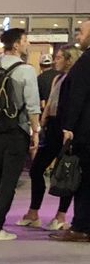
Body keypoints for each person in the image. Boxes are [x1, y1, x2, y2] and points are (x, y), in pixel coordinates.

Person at [0, 28, 40, 241]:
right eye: (25, 40)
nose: (27, 43)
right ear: (16, 44)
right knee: (9, 181)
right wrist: (36, 131)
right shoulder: (26, 70)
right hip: (16, 130)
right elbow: (32, 105)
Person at [20, 46, 80, 231]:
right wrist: (40, 125)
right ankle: (33, 212)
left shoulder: (76, 79)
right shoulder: (57, 78)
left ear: (69, 59)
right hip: (52, 127)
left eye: (60, 57)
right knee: (36, 169)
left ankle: (61, 215)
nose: (55, 61)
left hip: (66, 129)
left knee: (67, 172)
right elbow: (50, 104)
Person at [50, 17, 90, 243]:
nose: (78, 37)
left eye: (81, 32)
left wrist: (69, 127)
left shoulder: (86, 61)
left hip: (85, 132)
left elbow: (77, 95)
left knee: (84, 180)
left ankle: (81, 226)